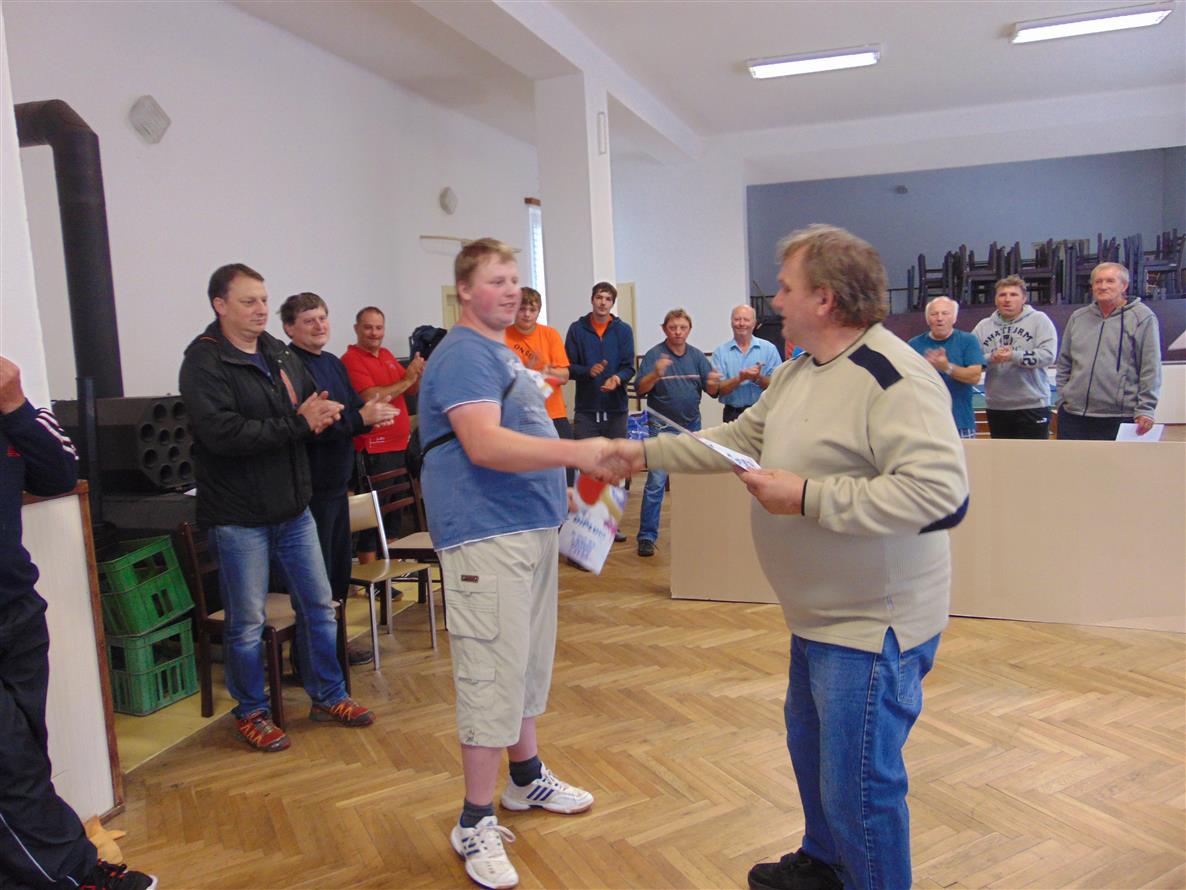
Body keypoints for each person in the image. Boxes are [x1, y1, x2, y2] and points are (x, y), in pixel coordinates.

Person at [602, 225, 968, 890]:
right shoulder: (801, 369)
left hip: (871, 626)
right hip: (816, 617)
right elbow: (740, 437)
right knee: (815, 757)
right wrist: (639, 453)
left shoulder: (894, 376)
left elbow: (941, 496)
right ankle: (826, 864)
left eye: (785, 287)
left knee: (860, 792)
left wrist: (805, 496)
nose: (774, 300)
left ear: (823, 299)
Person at [418, 239, 614, 890]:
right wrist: (577, 454)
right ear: (464, 291)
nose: (509, 291)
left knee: (523, 663)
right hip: (485, 533)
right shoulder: (463, 354)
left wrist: (564, 491)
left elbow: (525, 434)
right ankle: (474, 819)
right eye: (495, 281)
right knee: (489, 672)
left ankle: (525, 780)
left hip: (529, 526)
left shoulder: (502, 353)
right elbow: (483, 444)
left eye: (514, 280)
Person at [179, 264, 374, 753]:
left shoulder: (277, 352)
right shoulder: (204, 361)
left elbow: (307, 405)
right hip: (238, 516)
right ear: (220, 305)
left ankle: (328, 695)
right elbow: (222, 434)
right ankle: (251, 711)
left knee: (320, 607)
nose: (261, 309)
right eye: (249, 301)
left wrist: (323, 413)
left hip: (293, 508)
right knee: (247, 624)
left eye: (264, 300)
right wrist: (299, 422)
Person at [0, 356, 156, 890]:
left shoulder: (10, 406)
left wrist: (15, 405)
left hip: (16, 613)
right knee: (13, 768)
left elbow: (60, 474)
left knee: (27, 758)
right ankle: (77, 877)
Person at [281, 292, 399, 666]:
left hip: (338, 484)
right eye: (309, 321)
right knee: (313, 580)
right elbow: (315, 425)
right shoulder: (288, 366)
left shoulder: (331, 362)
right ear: (289, 328)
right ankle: (309, 658)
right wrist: (357, 418)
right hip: (309, 489)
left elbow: (349, 412)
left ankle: (334, 645)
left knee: (337, 572)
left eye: (322, 318)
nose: (319, 326)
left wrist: (365, 415)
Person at [341, 306, 425, 561]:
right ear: (356, 329)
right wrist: (407, 379)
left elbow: (410, 390)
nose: (374, 333)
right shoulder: (351, 359)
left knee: (394, 518)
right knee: (372, 521)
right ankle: (371, 575)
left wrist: (417, 374)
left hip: (400, 446)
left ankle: (393, 571)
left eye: (379, 328)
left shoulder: (387, 354)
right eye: (368, 327)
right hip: (373, 450)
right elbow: (371, 396)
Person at [634, 309, 720, 557]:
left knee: (693, 483)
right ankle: (647, 536)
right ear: (664, 329)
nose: (678, 332)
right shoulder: (654, 355)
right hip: (661, 427)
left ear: (689, 330)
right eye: (673, 328)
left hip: (691, 428)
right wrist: (655, 373)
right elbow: (640, 389)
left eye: (683, 328)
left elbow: (712, 391)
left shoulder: (697, 357)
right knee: (656, 483)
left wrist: (713, 382)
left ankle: (694, 531)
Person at [1055, 262, 1162, 440]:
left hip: (1119, 416)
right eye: (1098, 282)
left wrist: (1146, 409)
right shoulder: (1078, 317)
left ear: (1124, 286)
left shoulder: (1143, 317)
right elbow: (1065, 361)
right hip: (1073, 414)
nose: (1103, 286)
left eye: (1110, 281)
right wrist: (1062, 398)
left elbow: (1150, 367)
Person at [564, 282, 634, 542]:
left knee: (613, 469)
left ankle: (607, 525)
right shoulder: (577, 329)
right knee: (587, 469)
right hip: (587, 408)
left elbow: (629, 367)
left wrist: (617, 378)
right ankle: (585, 527)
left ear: (612, 303)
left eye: (607, 299)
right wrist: (587, 371)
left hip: (616, 408)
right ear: (592, 300)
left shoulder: (623, 330)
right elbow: (568, 366)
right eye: (599, 297)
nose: (603, 302)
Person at [971, 276, 1058, 439]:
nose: (1007, 299)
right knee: (1002, 455)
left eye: (1013, 295)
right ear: (996, 299)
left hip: (1033, 405)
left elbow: (1048, 355)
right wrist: (991, 357)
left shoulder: (1039, 320)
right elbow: (971, 358)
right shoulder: (983, 326)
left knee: (1032, 455)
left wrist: (1014, 356)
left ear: (1024, 298)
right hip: (997, 406)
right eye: (1002, 295)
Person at [504, 286, 573, 483]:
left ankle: (564, 503)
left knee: (565, 471)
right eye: (522, 309)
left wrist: (543, 372)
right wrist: (530, 372)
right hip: (518, 417)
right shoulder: (502, 336)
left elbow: (564, 375)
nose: (527, 314)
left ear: (538, 311)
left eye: (532, 309)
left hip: (553, 413)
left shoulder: (550, 335)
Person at [908, 296, 985, 438]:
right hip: (925, 425)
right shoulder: (913, 345)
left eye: (945, 313)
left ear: (954, 318)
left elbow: (974, 376)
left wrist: (946, 367)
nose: (939, 318)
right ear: (927, 319)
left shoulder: (968, 341)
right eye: (934, 314)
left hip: (960, 423)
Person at [711, 304, 782, 422]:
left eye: (746, 320)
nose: (741, 323)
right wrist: (740, 379)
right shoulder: (720, 352)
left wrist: (757, 378)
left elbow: (778, 385)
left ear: (754, 324)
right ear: (731, 323)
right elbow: (719, 390)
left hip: (763, 413)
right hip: (733, 415)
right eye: (737, 319)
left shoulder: (769, 349)